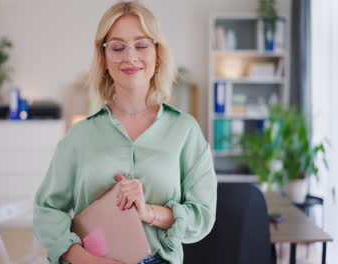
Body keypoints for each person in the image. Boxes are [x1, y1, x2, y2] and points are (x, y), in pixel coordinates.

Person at [33, 1, 217, 264]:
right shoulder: (80, 135)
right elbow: (46, 211)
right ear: (105, 59)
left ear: (158, 54)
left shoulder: (185, 131)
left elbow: (203, 215)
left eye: (141, 45)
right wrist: (87, 261)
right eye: (118, 47)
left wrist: (149, 212)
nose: (130, 57)